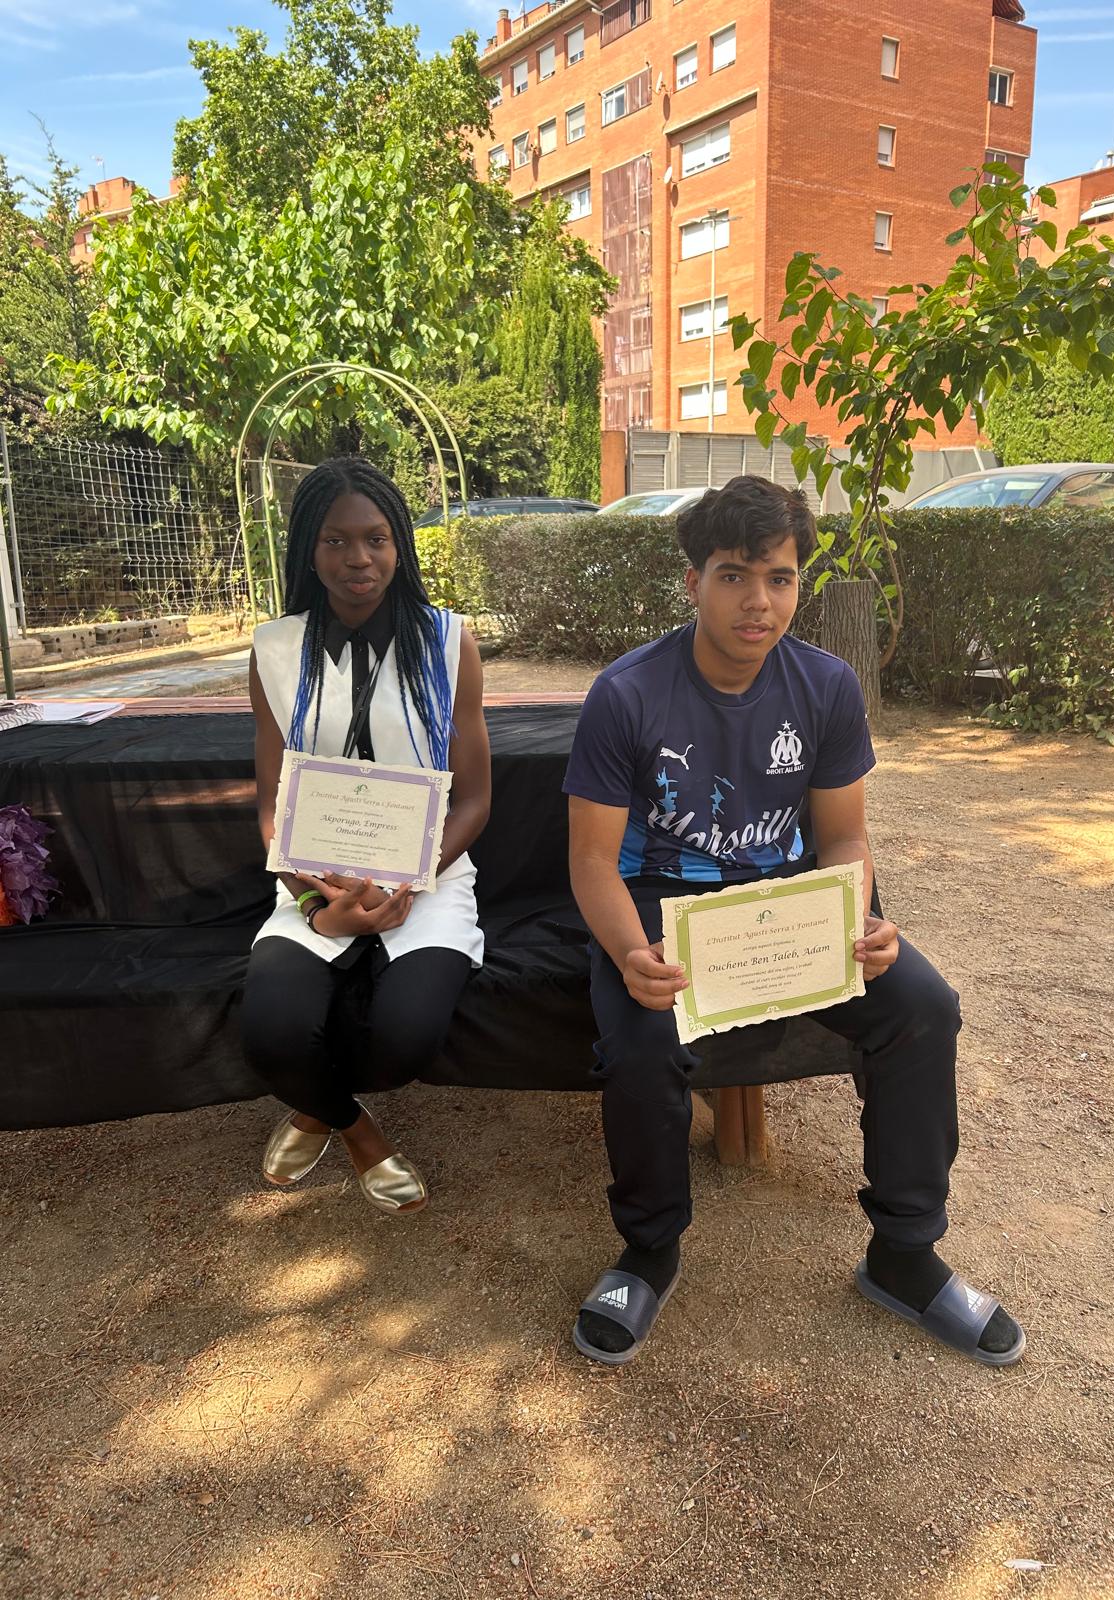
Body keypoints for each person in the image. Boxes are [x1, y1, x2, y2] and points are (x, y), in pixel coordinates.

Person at [563, 475, 1025, 1367]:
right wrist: (628, 952)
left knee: (923, 1006)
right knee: (642, 1037)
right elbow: (591, 860)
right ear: (693, 581)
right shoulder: (626, 693)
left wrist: (860, 916)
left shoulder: (826, 686)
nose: (759, 601)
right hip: (661, 901)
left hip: (789, 901)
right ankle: (649, 1250)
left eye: (779, 578)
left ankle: (904, 1254)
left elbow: (844, 837)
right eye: (734, 575)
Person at [242, 456, 490, 1213]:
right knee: (272, 1033)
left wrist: (411, 875)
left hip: (428, 878)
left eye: (376, 538)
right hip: (314, 878)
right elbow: (271, 804)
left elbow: (476, 798)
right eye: (336, 540)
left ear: (400, 544)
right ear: (308, 550)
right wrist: (314, 897)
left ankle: (315, 1108)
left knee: (407, 1037)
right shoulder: (275, 649)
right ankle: (358, 1132)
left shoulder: (449, 642)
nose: (358, 558)